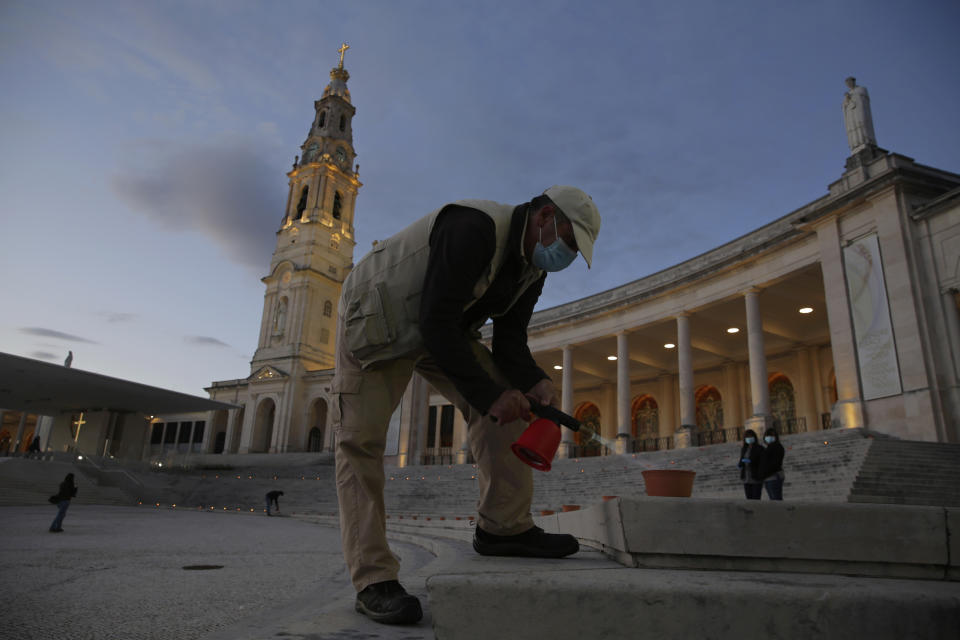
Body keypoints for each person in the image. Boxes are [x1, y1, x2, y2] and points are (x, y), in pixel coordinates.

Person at [333, 186, 601, 625]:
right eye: (569, 242)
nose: (567, 255)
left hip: (443, 327)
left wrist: (534, 382)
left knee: (514, 412)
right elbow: (434, 321)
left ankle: (503, 528)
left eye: (575, 250)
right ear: (545, 216)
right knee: (360, 443)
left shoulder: (534, 269)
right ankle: (373, 578)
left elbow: (511, 340)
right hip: (377, 315)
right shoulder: (472, 227)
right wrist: (493, 394)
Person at [738, 429, 764, 500]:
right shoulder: (744, 449)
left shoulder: (759, 448)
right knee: (749, 499)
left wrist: (751, 461)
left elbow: (762, 462)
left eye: (750, 436)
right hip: (746, 478)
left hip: (755, 477)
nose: (749, 438)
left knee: (756, 498)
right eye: (747, 437)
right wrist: (740, 464)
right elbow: (741, 460)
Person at [760, 428, 785, 500]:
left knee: (776, 499)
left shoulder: (777, 447)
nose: (768, 438)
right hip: (768, 477)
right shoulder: (768, 448)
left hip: (774, 476)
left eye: (771, 436)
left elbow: (775, 463)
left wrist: (765, 473)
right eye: (767, 436)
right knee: (773, 499)